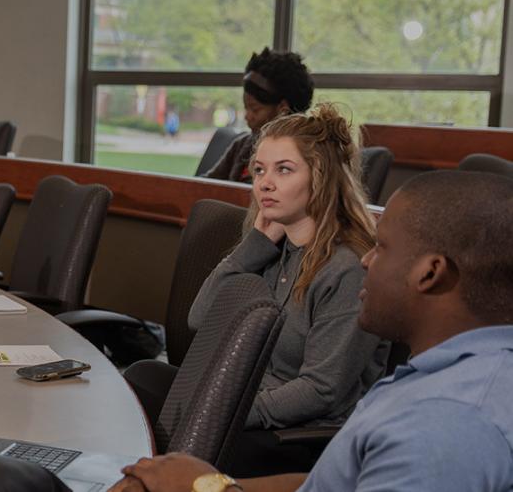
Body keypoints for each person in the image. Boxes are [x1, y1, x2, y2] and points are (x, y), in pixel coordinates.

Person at [110, 170, 513, 492]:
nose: (367, 261)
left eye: (383, 247)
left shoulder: (447, 424)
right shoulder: (449, 373)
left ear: (430, 273)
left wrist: (204, 490)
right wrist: (206, 482)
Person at [188, 103, 386, 475]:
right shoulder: (271, 249)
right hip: (248, 403)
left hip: (302, 435)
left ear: (321, 177)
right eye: (259, 170)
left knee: (184, 440)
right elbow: (200, 319)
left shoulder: (348, 268)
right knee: (145, 376)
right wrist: (254, 246)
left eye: (284, 170)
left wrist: (229, 411)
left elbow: (321, 390)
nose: (264, 183)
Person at [201, 49, 314, 183]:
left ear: (283, 110)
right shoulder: (241, 145)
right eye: (246, 107)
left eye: (255, 109)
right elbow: (204, 187)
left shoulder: (307, 155)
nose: (247, 116)